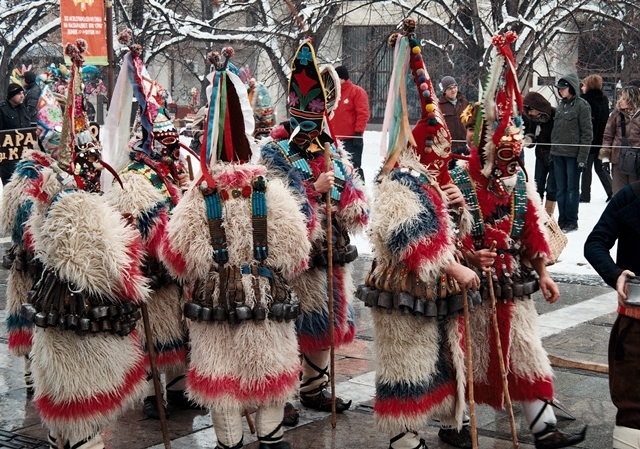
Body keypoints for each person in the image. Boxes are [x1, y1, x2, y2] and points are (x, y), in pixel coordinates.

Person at [161, 47, 311, 449]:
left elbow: (175, 259)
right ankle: (271, 438)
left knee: (222, 382)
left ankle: (230, 443)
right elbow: (298, 256)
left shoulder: (196, 198)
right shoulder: (274, 194)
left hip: (213, 303)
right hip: (267, 301)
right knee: (273, 379)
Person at [451, 32, 586, 449]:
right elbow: (444, 239)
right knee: (466, 356)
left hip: (513, 282)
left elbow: (530, 233)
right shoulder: (458, 181)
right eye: (501, 158)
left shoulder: (521, 182)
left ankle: (544, 429)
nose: (507, 168)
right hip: (470, 285)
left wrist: (543, 273)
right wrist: (469, 254)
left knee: (526, 351)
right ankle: (455, 425)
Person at [20, 39, 149, 449]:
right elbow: (120, 273)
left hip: (57, 313)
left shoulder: (51, 209)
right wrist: (126, 237)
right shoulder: (78, 214)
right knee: (84, 404)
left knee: (66, 402)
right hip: (80, 317)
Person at [356, 20, 479, 449]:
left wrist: (457, 209)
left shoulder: (430, 182)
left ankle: (441, 424)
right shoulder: (398, 183)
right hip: (403, 288)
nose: (443, 158)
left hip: (430, 289)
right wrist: (454, 269)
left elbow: (446, 231)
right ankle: (404, 441)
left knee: (434, 361)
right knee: (405, 364)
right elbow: (413, 240)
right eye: (437, 151)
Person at [260, 41, 369, 418]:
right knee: (290, 325)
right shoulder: (274, 152)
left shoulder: (332, 148)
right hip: (297, 257)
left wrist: (345, 194)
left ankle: (314, 386)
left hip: (331, 257)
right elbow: (277, 204)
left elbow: (354, 199)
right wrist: (314, 192)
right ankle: (283, 397)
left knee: (324, 325)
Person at [104, 30, 192, 420]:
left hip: (175, 270)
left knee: (176, 329)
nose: (172, 152)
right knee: (155, 330)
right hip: (152, 270)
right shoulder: (135, 176)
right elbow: (134, 225)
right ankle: (153, 392)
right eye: (166, 145)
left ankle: (175, 388)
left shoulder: (173, 171)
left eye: (174, 145)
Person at [0, 84, 61, 396]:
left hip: (39, 263)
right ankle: (31, 375)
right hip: (31, 263)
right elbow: (18, 218)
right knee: (33, 316)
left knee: (37, 317)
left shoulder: (53, 173)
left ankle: (34, 375)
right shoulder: (30, 175)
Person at [584, 181, 640, 449]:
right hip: (636, 325)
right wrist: (616, 274)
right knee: (632, 410)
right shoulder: (632, 195)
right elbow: (595, 243)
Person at [550, 73, 593, 233]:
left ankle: (572, 221)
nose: (560, 91)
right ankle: (562, 220)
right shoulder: (561, 105)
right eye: (559, 88)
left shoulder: (582, 106)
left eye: (563, 88)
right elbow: (556, 130)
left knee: (572, 189)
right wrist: (552, 151)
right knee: (560, 189)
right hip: (558, 154)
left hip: (573, 155)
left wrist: (582, 157)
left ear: (572, 88)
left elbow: (587, 133)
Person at [329, 65, 370, 181]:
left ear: (341, 79)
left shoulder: (357, 92)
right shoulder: (332, 94)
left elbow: (363, 113)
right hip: (334, 140)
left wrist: (358, 132)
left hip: (351, 140)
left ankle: (360, 194)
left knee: (354, 169)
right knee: (337, 169)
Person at [523, 91, 557, 215]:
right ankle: (538, 214)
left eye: (531, 110)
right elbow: (531, 132)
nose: (530, 113)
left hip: (554, 155)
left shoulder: (555, 115)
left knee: (552, 188)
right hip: (541, 155)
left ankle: (549, 215)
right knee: (538, 186)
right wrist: (528, 139)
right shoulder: (533, 119)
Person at [601, 87, 640, 195]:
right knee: (619, 195)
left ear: (632, 99)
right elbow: (608, 136)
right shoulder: (616, 114)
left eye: (623, 98)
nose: (619, 100)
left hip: (638, 162)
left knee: (635, 196)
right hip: (618, 160)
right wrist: (605, 158)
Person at [580, 75, 612, 203]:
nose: (582, 87)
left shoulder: (584, 100)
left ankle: (585, 195)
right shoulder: (604, 99)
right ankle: (611, 191)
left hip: (588, 140)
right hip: (601, 139)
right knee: (600, 168)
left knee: (586, 169)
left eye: (584, 85)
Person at [0, 83, 31, 184]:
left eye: (23, 93)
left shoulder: (23, 108)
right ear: (11, 95)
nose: (22, 96)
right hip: (8, 159)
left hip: (24, 156)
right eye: (19, 93)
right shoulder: (2, 109)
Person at [439, 76, 469, 168]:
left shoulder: (464, 102)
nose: (453, 90)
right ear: (444, 91)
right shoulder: (439, 105)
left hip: (464, 147)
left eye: (455, 87)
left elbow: (471, 123)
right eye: (450, 88)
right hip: (448, 149)